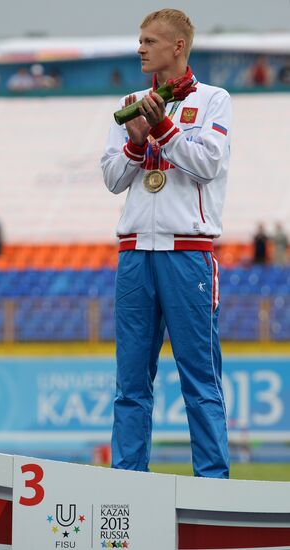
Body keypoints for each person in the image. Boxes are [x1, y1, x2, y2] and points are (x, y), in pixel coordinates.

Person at [101, 8, 231, 478]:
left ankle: (213, 486)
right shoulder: (130, 102)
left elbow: (208, 163)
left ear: (178, 46)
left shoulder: (215, 100)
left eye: (150, 41)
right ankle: (128, 483)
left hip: (188, 254)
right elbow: (113, 178)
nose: (140, 48)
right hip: (135, 252)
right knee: (130, 383)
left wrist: (162, 129)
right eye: (139, 40)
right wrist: (137, 144)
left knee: (200, 379)